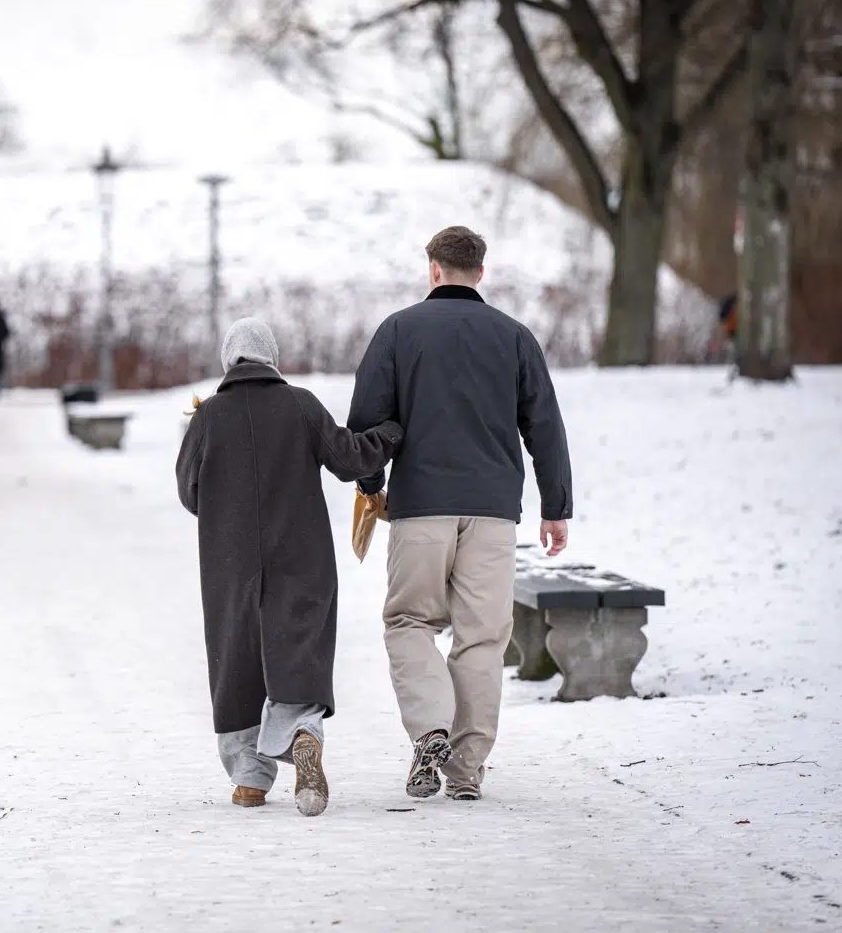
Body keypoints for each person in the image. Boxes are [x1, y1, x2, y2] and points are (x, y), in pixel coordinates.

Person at [348, 225, 573, 803]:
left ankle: (430, 731)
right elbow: (544, 425)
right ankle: (467, 766)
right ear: (481, 272)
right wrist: (555, 507)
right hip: (494, 511)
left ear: (433, 269)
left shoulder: (398, 331)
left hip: (421, 506)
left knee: (408, 622)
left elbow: (367, 421)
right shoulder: (514, 337)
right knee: (481, 637)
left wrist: (372, 484)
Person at [176, 318, 403, 817]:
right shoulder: (299, 405)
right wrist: (389, 433)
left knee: (236, 655)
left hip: (230, 564)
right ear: (272, 357)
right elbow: (349, 459)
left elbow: (189, 492)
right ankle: (301, 732)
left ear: (228, 359)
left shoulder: (208, 416)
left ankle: (250, 780)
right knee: (296, 645)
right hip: (302, 555)